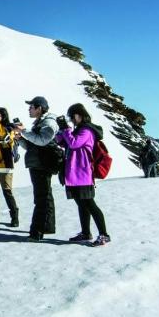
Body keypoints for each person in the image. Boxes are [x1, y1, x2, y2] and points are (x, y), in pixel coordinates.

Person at [56, 103, 111, 246]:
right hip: (73, 175)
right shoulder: (77, 130)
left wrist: (66, 130)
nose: (71, 120)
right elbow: (62, 142)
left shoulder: (87, 131)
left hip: (83, 173)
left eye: (72, 116)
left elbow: (74, 143)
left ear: (79, 115)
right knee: (82, 204)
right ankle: (86, 233)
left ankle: (104, 235)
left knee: (90, 204)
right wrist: (61, 131)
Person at [12, 96, 57, 242]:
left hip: (42, 165)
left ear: (39, 108)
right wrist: (21, 138)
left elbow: (43, 141)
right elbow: (34, 145)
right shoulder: (40, 122)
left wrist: (24, 131)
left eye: (31, 107)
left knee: (41, 198)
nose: (29, 109)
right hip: (39, 163)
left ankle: (36, 232)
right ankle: (45, 227)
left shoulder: (49, 122)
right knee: (45, 196)